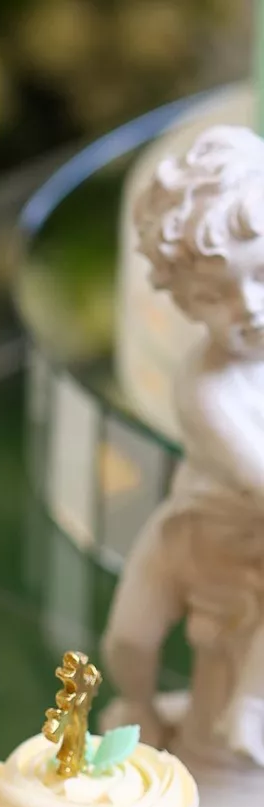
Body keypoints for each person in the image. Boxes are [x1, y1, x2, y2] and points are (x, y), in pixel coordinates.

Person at [104, 125, 264, 766]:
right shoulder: (205, 386)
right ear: (184, 303)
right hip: (196, 534)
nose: (248, 306)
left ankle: (250, 707)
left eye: (262, 273)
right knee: (128, 640)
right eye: (213, 295)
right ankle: (138, 706)